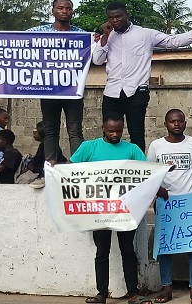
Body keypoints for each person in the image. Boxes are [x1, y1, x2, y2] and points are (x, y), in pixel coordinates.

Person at [92, 2, 192, 152]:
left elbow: (173, 41)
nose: (115, 20)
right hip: (112, 92)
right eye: (111, 18)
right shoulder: (106, 36)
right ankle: (110, 165)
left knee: (136, 134)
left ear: (127, 15)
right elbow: (97, 60)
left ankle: (138, 169)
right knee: (109, 132)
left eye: (118, 16)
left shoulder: (145, 34)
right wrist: (105, 36)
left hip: (136, 91)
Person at [70, 112, 151, 304]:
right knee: (102, 252)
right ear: (103, 129)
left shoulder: (132, 149)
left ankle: (133, 293)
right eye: (111, 131)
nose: (115, 134)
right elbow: (70, 171)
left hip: (124, 209)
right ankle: (102, 294)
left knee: (128, 251)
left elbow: (148, 172)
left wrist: (163, 170)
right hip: (98, 210)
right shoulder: (89, 147)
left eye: (119, 131)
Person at [147, 109, 192, 304]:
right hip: (166, 203)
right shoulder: (156, 145)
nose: (176, 124)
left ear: (185, 123)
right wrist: (158, 189)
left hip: (190, 201)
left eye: (180, 121)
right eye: (172, 121)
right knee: (166, 246)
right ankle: (167, 288)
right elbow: (150, 172)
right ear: (165, 124)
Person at [27, 0, 86, 173]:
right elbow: (19, 41)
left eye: (68, 9)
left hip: (72, 90)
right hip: (49, 89)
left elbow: (93, 50)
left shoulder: (80, 34)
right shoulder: (39, 31)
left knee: (75, 130)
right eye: (60, 8)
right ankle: (50, 164)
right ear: (53, 10)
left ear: (72, 12)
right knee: (50, 129)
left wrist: (96, 38)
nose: (64, 11)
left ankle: (77, 165)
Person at [28, 121, 67, 189]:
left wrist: (33, 167)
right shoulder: (42, 146)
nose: (34, 133)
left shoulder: (49, 148)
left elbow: (47, 166)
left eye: (36, 131)